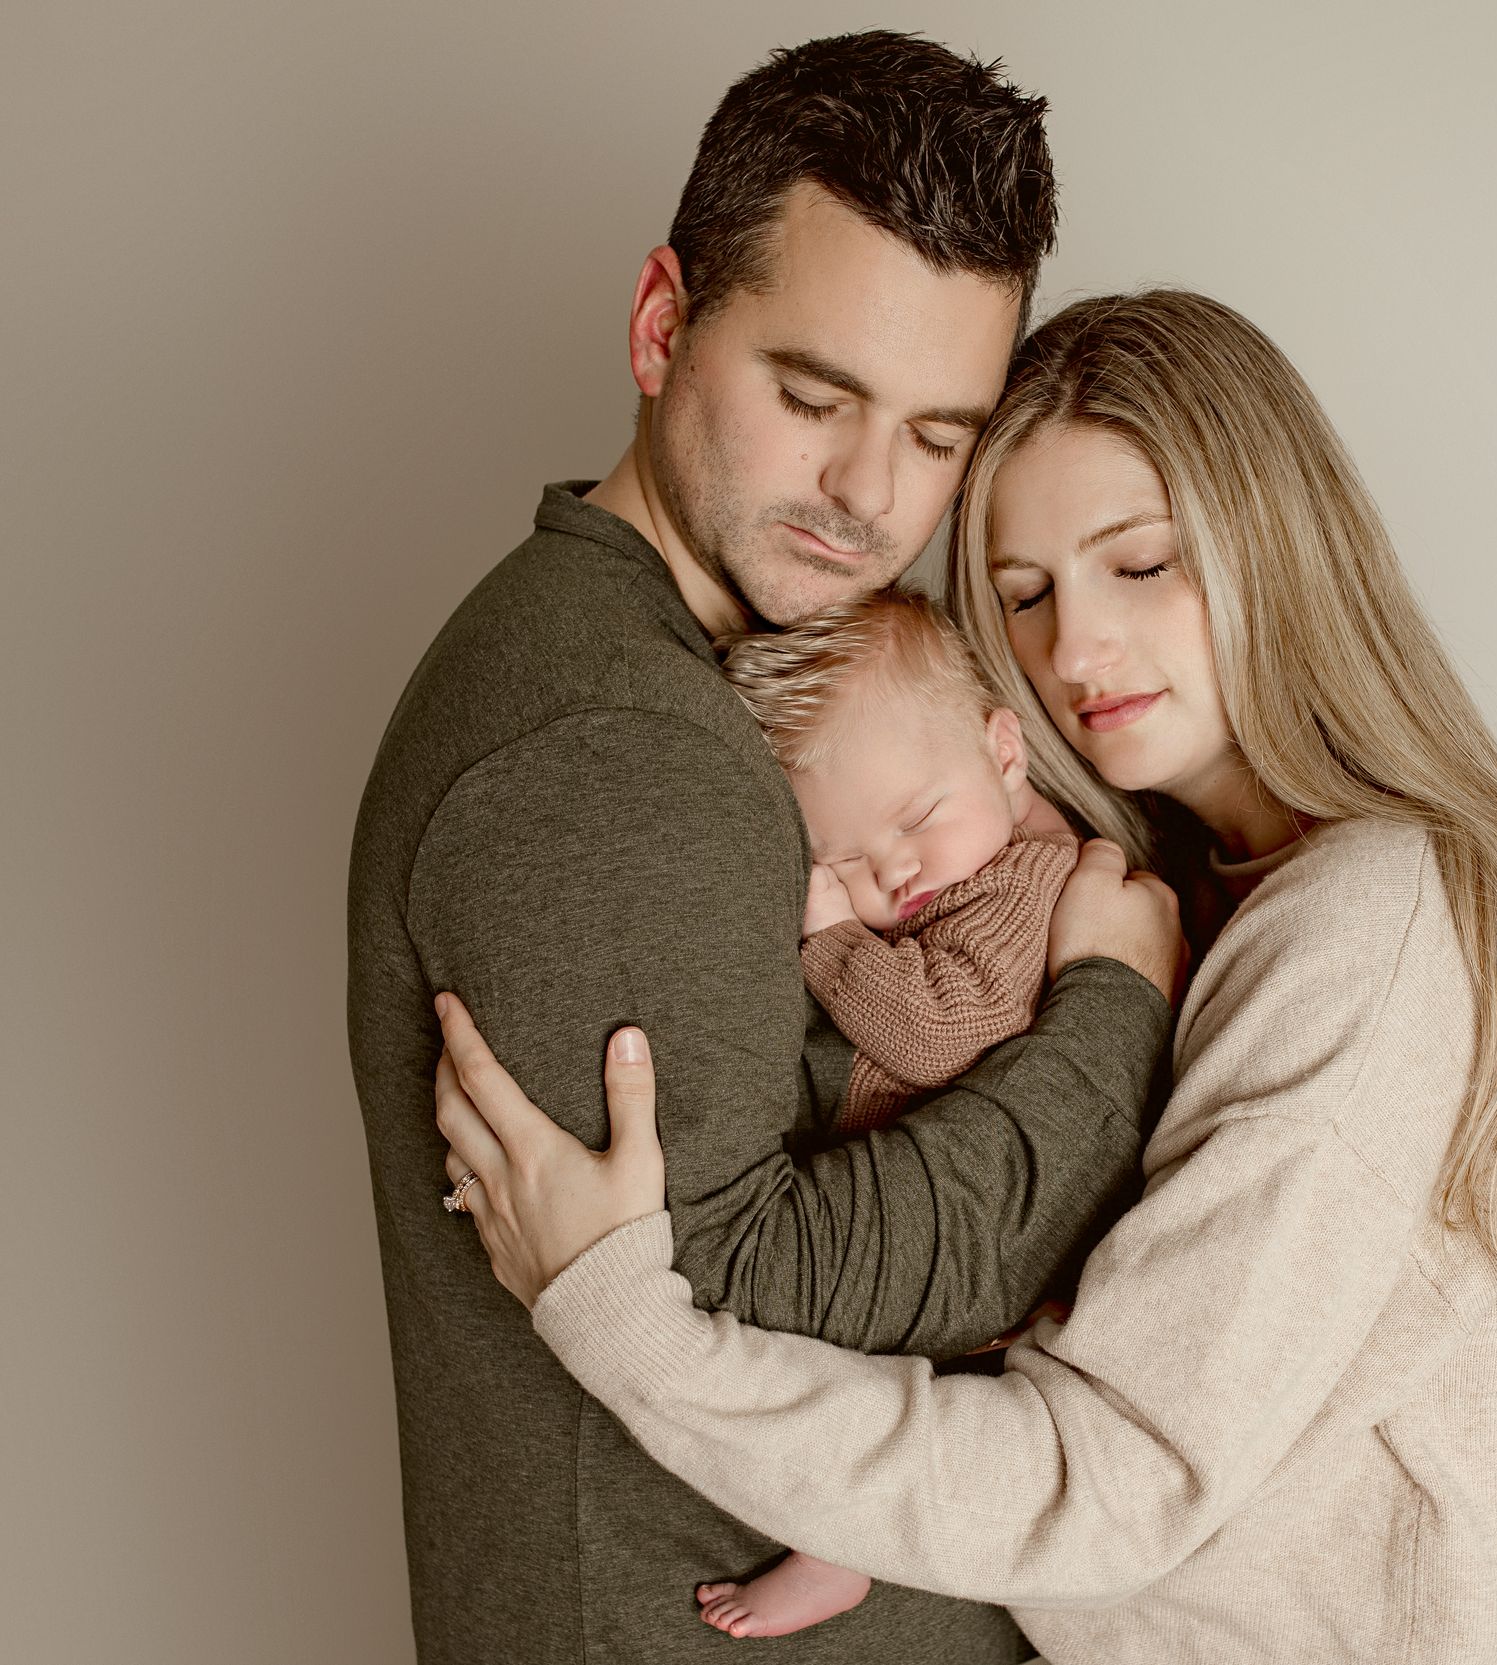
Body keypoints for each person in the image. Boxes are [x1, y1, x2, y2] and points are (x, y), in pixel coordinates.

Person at [431, 289, 1497, 1663]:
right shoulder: (1168, 893)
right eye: (1023, 594)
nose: (1074, 653)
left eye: (1138, 565)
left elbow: (1112, 1476)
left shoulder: (1375, 930)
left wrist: (626, 1323)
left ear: (1274, 543)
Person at [347, 34, 1181, 1664]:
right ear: (663, 324)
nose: (871, 495)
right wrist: (1114, 1010)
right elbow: (749, 1293)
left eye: (941, 437)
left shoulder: (769, 701)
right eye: (815, 399)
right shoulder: (621, 757)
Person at [700, 589, 1086, 1635]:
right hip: (930, 1208)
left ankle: (839, 1547)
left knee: (872, 1399)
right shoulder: (977, 850)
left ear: (1006, 753)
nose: (896, 872)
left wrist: (833, 940)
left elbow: (937, 1033)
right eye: (847, 864)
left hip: (999, 1245)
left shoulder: (1025, 885)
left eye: (916, 820)